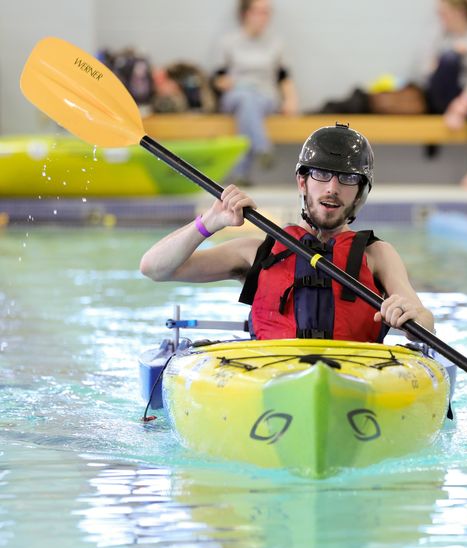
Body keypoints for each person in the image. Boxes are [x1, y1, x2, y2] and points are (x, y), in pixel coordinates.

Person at [139, 124, 435, 342]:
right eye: (321, 174)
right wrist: (209, 221)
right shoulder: (257, 252)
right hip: (271, 376)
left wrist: (409, 315)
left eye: (347, 178)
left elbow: (426, 323)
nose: (332, 187)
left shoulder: (378, 255)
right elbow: (154, 268)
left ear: (359, 192)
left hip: (357, 379)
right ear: (303, 182)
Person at [213, 0, 299, 185]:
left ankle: (241, 174)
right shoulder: (229, 42)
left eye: (266, 12)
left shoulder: (276, 43)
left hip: (265, 96)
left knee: (249, 104)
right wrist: (227, 83)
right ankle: (262, 147)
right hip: (236, 94)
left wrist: (290, 100)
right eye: (258, 12)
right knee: (245, 99)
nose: (263, 17)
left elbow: (284, 77)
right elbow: (218, 78)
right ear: (245, 13)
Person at [422, 0, 467, 189]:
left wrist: (461, 105)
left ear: (460, 12)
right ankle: (449, 112)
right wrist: (450, 57)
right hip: (442, 94)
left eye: (444, 13)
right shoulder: (439, 36)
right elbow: (427, 73)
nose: (440, 18)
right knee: (450, 57)